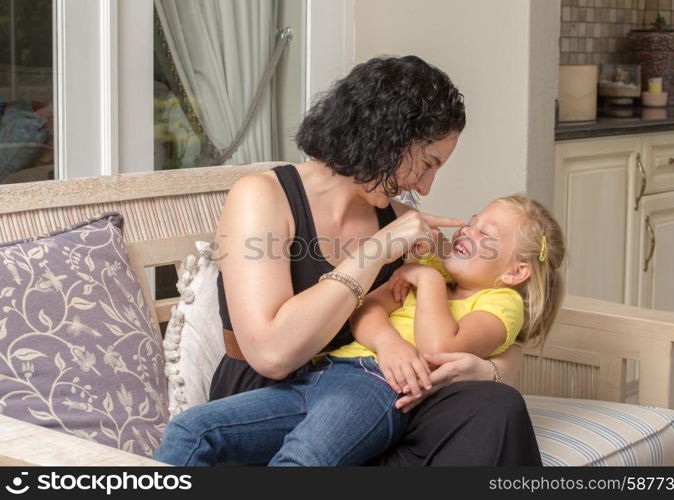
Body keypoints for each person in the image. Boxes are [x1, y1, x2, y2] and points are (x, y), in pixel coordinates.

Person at [155, 55, 543, 466]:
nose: (426, 188)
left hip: (372, 398)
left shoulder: (399, 219)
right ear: (388, 135)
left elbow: (483, 308)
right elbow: (272, 355)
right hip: (269, 396)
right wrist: (374, 251)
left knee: (496, 407)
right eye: (427, 164)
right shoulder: (263, 197)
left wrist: (492, 370)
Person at [154, 196, 565, 466]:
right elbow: (364, 309)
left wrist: (428, 282)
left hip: (377, 390)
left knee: (302, 460)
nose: (467, 231)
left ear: (515, 271)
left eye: (485, 235)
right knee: (192, 431)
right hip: (320, 374)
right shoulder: (430, 271)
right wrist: (387, 341)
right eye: (472, 222)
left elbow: (439, 346)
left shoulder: (499, 304)